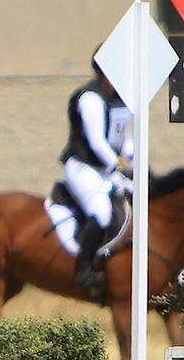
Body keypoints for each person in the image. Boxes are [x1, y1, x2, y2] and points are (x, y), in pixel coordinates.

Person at [58, 48, 135, 294]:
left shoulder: (122, 100)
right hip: (83, 168)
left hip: (108, 170)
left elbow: (127, 139)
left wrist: (133, 160)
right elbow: (97, 142)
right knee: (101, 213)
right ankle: (85, 269)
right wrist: (121, 166)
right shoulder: (90, 98)